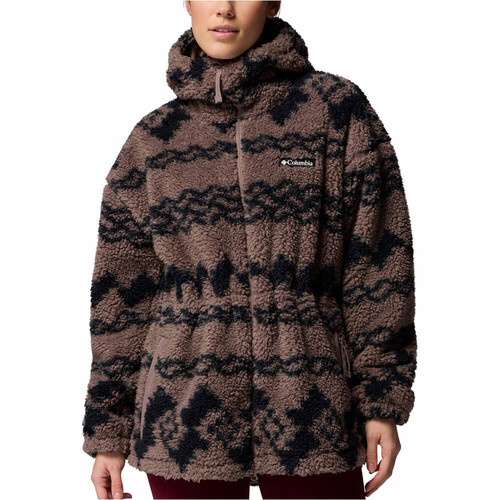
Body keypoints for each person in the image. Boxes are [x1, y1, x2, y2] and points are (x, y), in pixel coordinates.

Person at [82, 1, 417, 499]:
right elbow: (120, 301)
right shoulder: (152, 140)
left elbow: (378, 265)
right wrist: (108, 434)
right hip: (182, 412)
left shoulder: (334, 110)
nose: (224, 8)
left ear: (273, 2)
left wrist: (381, 401)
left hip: (315, 402)